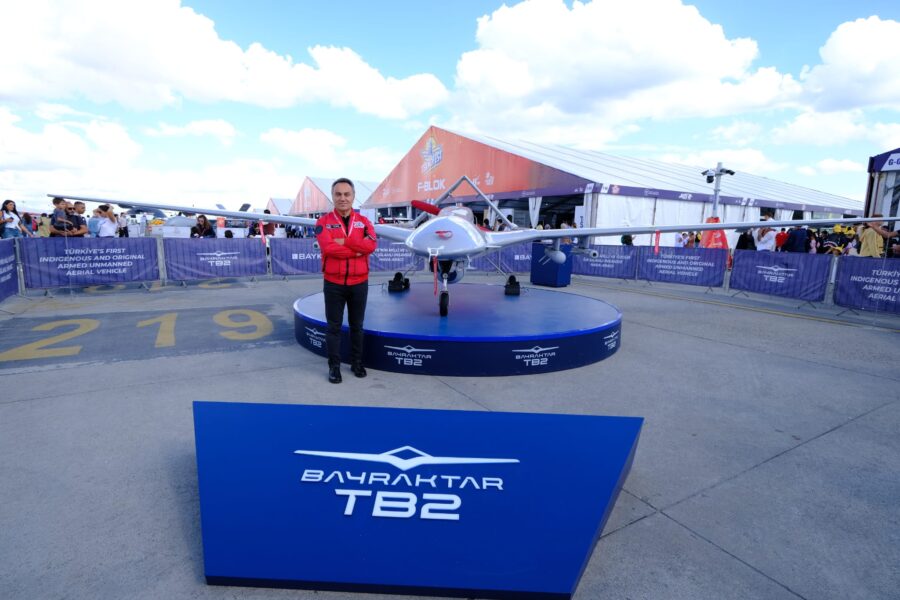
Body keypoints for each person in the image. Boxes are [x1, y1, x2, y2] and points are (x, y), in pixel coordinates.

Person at [315, 178, 377, 383]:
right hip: (333, 283)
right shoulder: (322, 222)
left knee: (357, 326)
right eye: (338, 194)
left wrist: (345, 241)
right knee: (333, 327)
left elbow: (371, 246)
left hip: (359, 283)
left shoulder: (364, 222)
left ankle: (357, 363)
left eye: (346, 194)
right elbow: (329, 248)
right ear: (332, 196)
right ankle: (334, 367)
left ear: (353, 196)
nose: (343, 198)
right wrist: (357, 249)